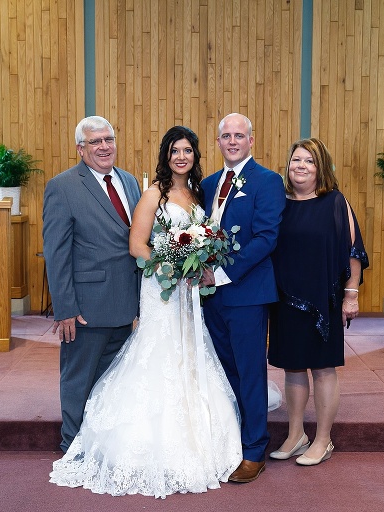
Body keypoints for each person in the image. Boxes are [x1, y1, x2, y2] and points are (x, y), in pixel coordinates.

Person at [50, 126, 242, 498]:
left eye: (187, 150)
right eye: (174, 151)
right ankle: (85, 442)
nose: (181, 157)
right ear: (165, 155)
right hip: (162, 287)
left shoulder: (198, 193)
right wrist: (170, 264)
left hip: (188, 294)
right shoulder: (154, 191)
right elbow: (137, 244)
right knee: (154, 356)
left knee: (188, 353)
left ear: (195, 155)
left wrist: (198, 263)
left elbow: (205, 238)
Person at [42, 115, 142, 454]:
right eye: (95, 142)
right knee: (79, 379)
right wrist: (65, 308)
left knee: (111, 382)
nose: (104, 147)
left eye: (108, 139)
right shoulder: (63, 186)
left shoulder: (129, 182)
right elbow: (56, 255)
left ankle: (101, 445)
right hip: (86, 307)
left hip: (126, 304)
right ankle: (72, 446)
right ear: (80, 149)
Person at [267, 138, 369, 466]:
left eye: (309, 161)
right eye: (296, 159)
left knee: (323, 369)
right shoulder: (278, 202)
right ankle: (296, 435)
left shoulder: (334, 202)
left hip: (322, 301)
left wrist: (351, 295)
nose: (301, 166)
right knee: (293, 368)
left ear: (320, 167)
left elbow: (353, 251)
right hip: (285, 300)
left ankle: (323, 439)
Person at [200, 113, 286, 483]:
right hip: (208, 297)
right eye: (226, 136)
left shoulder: (267, 181)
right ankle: (232, 438)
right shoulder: (205, 184)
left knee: (250, 373)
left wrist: (221, 274)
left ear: (252, 140)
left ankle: (254, 450)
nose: (232, 141)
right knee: (223, 370)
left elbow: (266, 238)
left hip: (246, 293)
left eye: (239, 135)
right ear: (218, 142)